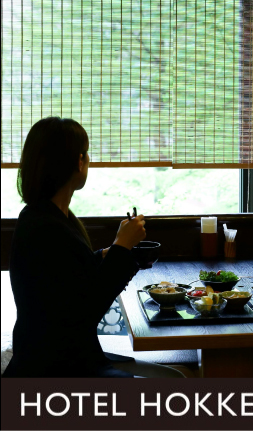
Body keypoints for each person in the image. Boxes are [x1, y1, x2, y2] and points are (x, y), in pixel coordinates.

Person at [3, 117, 184, 378]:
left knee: (174, 377)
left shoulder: (44, 217)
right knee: (174, 381)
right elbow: (88, 310)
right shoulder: (45, 227)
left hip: (57, 357)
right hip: (58, 369)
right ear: (79, 161)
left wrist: (104, 255)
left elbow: (69, 278)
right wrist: (121, 246)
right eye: (86, 154)